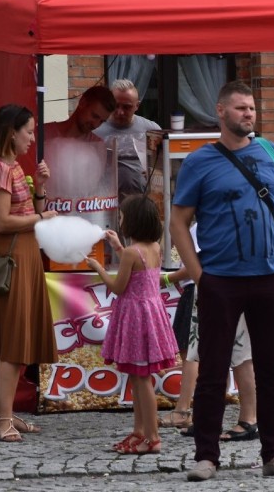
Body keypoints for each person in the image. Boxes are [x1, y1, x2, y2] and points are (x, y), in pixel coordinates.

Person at [169, 80, 274, 482]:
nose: (249, 114)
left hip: (269, 276)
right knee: (212, 370)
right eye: (241, 108)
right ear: (221, 112)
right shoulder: (200, 162)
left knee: (270, 371)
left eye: (252, 108)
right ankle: (206, 456)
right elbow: (179, 221)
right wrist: (199, 275)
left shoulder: (269, 152)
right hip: (221, 280)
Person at [0, 104, 59, 443]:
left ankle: (0, 416)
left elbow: (28, 210)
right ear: (12, 132)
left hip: (21, 255)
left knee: (11, 343)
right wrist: (42, 219)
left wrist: (41, 189)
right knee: (11, 345)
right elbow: (3, 222)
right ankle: (3, 419)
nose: (32, 138)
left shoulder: (12, 167)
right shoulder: (2, 170)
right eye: (29, 131)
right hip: (12, 258)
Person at [85, 194, 179, 455]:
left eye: (124, 217)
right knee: (139, 378)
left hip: (135, 319)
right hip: (151, 315)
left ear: (133, 222)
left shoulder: (130, 253)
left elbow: (117, 286)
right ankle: (140, 432)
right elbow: (139, 269)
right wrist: (117, 247)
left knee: (141, 381)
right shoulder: (155, 248)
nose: (121, 220)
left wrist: (98, 267)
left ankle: (152, 437)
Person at [159, 225, 258, 442]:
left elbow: (199, 262)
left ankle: (248, 420)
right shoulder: (205, 222)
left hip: (223, 286)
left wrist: (170, 279)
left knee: (240, 357)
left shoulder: (214, 222)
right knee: (210, 358)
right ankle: (209, 419)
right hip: (211, 288)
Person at [93, 79, 162, 200]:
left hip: (141, 203)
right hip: (104, 202)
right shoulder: (95, 130)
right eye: (115, 106)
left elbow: (165, 167)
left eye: (127, 107)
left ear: (137, 106)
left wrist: (155, 172)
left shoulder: (152, 130)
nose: (120, 112)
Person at [42, 85, 116, 141]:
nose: (95, 125)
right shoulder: (42, 133)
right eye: (94, 116)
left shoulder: (96, 145)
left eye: (101, 121)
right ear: (82, 102)